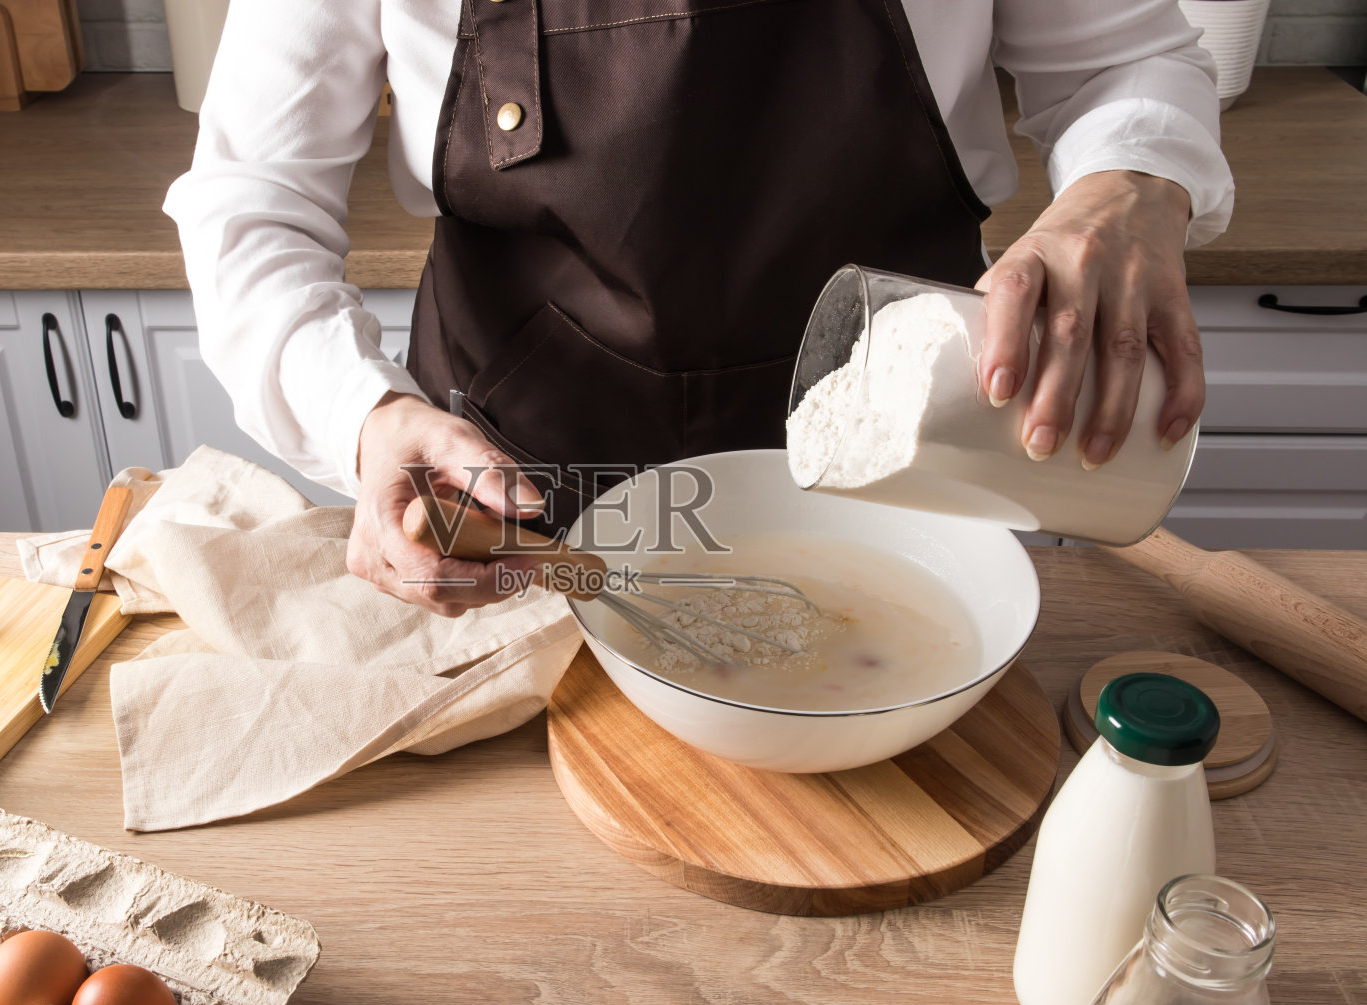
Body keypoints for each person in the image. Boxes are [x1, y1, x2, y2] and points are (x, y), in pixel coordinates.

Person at [165, 0, 1234, 617]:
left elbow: (1126, 58)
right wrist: (359, 414)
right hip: (527, 529)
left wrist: (1127, 181)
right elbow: (251, 199)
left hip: (915, 497)